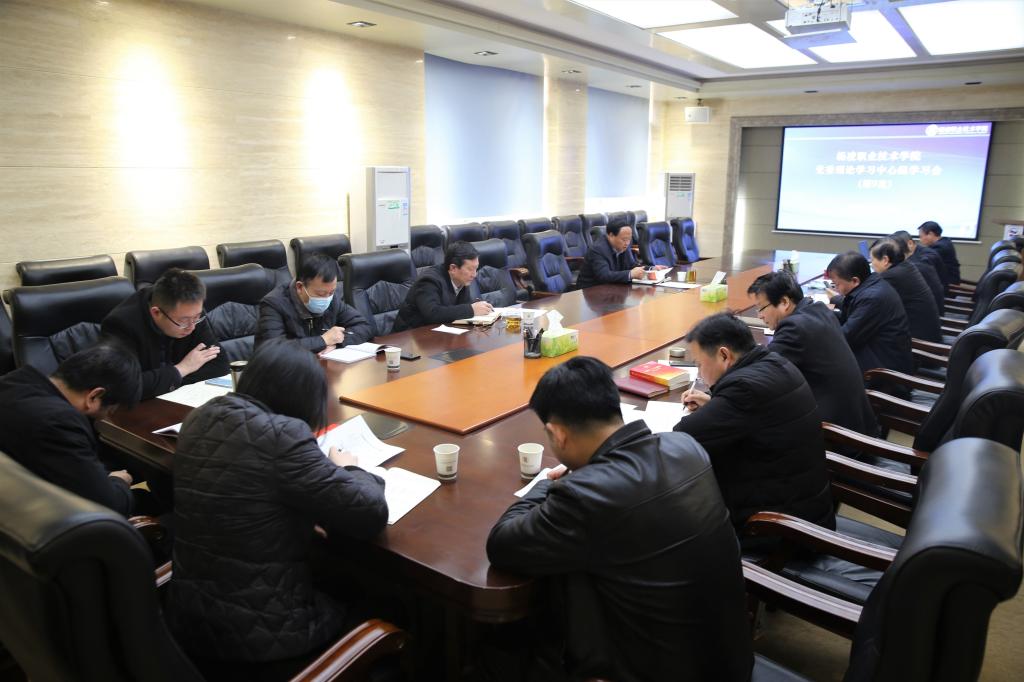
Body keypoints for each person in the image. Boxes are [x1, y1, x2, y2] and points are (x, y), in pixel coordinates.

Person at [486, 357, 753, 682]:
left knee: (511, 639)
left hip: (653, 671)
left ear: (558, 433)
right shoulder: (685, 446)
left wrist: (547, 484)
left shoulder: (584, 494)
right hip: (730, 660)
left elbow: (502, 544)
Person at [167, 339, 389, 678]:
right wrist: (350, 468)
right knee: (389, 601)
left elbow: (247, 493)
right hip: (264, 638)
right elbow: (370, 513)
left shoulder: (200, 416)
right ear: (303, 397)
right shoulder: (283, 435)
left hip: (189, 620)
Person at [672, 314, 834, 538]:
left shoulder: (744, 390)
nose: (699, 373)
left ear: (724, 355)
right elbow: (758, 416)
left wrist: (721, 407)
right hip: (806, 508)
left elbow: (682, 437)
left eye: (700, 364)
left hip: (775, 530)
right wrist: (715, 405)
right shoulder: (775, 363)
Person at [0, 343, 141, 516]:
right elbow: (107, 505)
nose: (105, 417)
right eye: (110, 411)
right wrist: (119, 481)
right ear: (95, 396)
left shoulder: (13, 381)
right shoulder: (60, 423)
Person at [748, 271, 879, 439]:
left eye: (761, 308)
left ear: (784, 302)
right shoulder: (819, 310)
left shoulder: (794, 328)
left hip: (838, 436)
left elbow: (762, 373)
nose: (760, 315)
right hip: (858, 422)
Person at [101, 267, 229, 400]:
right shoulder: (121, 325)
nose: (192, 327)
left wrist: (165, 382)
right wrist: (182, 369)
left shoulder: (191, 312)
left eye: (197, 317)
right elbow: (125, 387)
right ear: (156, 313)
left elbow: (220, 365)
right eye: (183, 321)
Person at [256, 252, 372, 353]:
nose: (327, 298)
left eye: (331, 292)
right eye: (321, 294)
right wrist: (322, 341)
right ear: (300, 287)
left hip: (321, 364)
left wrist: (336, 342)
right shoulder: (273, 304)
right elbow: (275, 350)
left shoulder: (332, 299)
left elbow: (364, 326)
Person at [826, 252, 914, 383]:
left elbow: (845, 338)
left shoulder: (872, 298)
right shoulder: (871, 285)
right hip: (877, 355)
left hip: (883, 374)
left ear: (855, 281)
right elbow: (852, 317)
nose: (836, 289)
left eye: (836, 285)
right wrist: (823, 313)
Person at [392, 241, 493, 332]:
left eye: (476, 269)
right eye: (470, 269)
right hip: (409, 337)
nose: (474, 275)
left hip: (438, 334)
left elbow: (462, 308)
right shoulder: (429, 281)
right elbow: (433, 314)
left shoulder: (462, 279)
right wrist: (471, 309)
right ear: (453, 268)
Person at [870, 238, 942, 342]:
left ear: (885, 260)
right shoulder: (906, 266)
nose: (871, 264)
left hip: (919, 341)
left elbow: (868, 296)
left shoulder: (891, 276)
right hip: (928, 332)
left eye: (872, 260)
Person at [577, 223, 664, 288]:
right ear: (611, 235)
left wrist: (651, 269)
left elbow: (631, 266)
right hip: (592, 291)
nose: (627, 243)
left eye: (629, 239)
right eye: (624, 239)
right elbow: (604, 276)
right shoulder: (598, 249)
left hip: (613, 288)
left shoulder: (623, 245)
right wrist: (630, 274)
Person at [890, 230, 945, 312]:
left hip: (933, 306)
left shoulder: (928, 256)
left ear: (910, 243)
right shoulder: (912, 256)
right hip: (926, 302)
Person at [918, 220, 961, 285]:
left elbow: (922, 262)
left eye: (921, 236)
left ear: (930, 234)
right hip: (945, 279)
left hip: (946, 283)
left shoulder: (939, 247)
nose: (920, 240)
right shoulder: (945, 241)